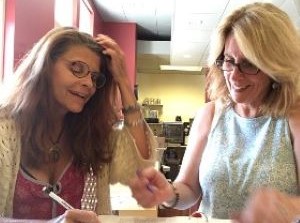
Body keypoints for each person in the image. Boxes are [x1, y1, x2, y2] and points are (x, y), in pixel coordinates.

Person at [129, 2, 300, 222]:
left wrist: (288, 207)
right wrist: (169, 193)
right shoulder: (210, 115)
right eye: (229, 61)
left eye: (249, 65)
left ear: (275, 67)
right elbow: (188, 188)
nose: (234, 77)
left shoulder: (293, 117)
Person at [0, 27, 155, 222]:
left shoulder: (91, 133)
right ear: (45, 65)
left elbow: (137, 166)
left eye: (94, 77)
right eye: (77, 68)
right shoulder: (4, 130)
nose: (89, 84)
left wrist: (123, 80)